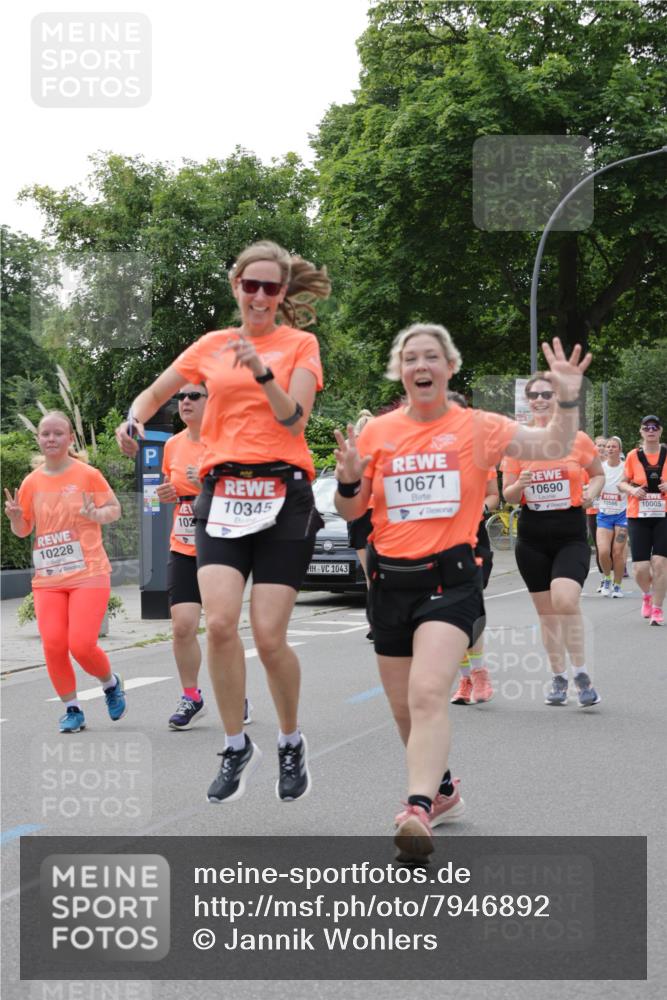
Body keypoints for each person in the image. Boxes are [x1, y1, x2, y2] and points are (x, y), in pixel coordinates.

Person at [334, 325, 591, 861]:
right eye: (410, 358)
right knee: (404, 705)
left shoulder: (479, 426)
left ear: (449, 368)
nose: (421, 364)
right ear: (401, 372)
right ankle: (444, 789)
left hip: (449, 581)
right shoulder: (377, 433)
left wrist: (564, 396)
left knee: (428, 692)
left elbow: (554, 445)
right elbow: (353, 512)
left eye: (432, 356)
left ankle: (417, 807)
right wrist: (349, 480)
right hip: (389, 582)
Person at [116, 240, 330, 801]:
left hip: (284, 494)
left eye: (272, 287)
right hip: (223, 493)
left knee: (268, 635)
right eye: (250, 285)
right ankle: (236, 747)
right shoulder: (210, 346)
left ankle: (289, 740)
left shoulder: (300, 344)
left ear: (283, 294)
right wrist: (135, 417)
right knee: (217, 624)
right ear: (236, 286)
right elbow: (156, 391)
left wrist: (261, 371)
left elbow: (293, 420)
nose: (260, 295)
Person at [4, 411, 125, 733]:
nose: (52, 439)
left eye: (58, 434)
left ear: (70, 439)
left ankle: (110, 683)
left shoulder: (88, 475)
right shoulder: (31, 482)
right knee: (54, 644)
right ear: (39, 440)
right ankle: (72, 709)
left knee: (81, 645)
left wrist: (96, 513)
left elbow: (115, 509)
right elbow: (23, 529)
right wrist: (15, 517)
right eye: (46, 434)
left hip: (89, 572)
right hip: (49, 578)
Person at [502, 375, 605, 710]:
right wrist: (520, 484)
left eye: (547, 394)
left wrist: (591, 491)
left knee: (565, 599)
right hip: (532, 536)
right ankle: (558, 677)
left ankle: (582, 673)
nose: (540, 399)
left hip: (569, 532)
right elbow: (508, 495)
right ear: (528, 401)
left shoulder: (577, 438)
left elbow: (599, 474)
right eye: (534, 395)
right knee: (546, 614)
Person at [447, 391, 499, 706]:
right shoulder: (428, 456)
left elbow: (494, 495)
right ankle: (466, 677)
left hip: (474, 543)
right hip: (438, 544)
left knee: (470, 608)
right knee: (448, 616)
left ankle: (478, 674)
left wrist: (478, 507)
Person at [619, 415, 667, 626]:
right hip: (638, 515)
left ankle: (657, 609)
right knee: (640, 568)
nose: (650, 431)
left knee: (660, 563)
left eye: (654, 427)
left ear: (660, 431)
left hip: (663, 515)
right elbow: (622, 483)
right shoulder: (632, 456)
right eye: (646, 427)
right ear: (641, 431)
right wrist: (632, 489)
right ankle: (647, 595)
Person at [596, 435, 628, 598]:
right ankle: (606, 578)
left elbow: (632, 484)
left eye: (613, 446)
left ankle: (617, 585)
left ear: (619, 450)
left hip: (622, 515)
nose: (610, 449)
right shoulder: (600, 468)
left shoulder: (625, 468)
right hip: (604, 515)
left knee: (617, 552)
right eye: (608, 446)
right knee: (603, 551)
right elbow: (593, 484)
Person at [586, 436, 608, 590]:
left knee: (611, 547)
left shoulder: (613, 465)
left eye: (604, 445)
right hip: (593, 509)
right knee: (600, 546)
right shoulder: (588, 465)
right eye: (598, 445)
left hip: (612, 510)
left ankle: (614, 574)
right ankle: (604, 577)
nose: (601, 448)